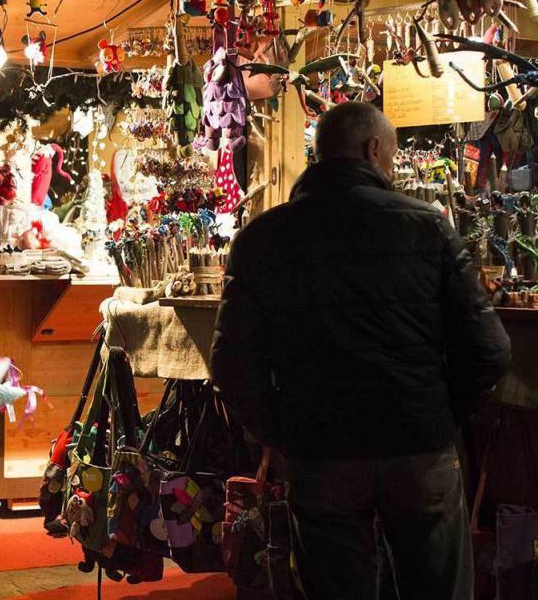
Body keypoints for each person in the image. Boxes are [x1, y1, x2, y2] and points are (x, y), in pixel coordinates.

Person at [210, 102, 512, 600]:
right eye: (391, 156)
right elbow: (490, 350)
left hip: (322, 448)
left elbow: (231, 363)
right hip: (418, 446)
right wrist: (438, 413)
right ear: (373, 150)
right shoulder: (428, 228)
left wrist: (283, 430)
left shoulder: (262, 238)